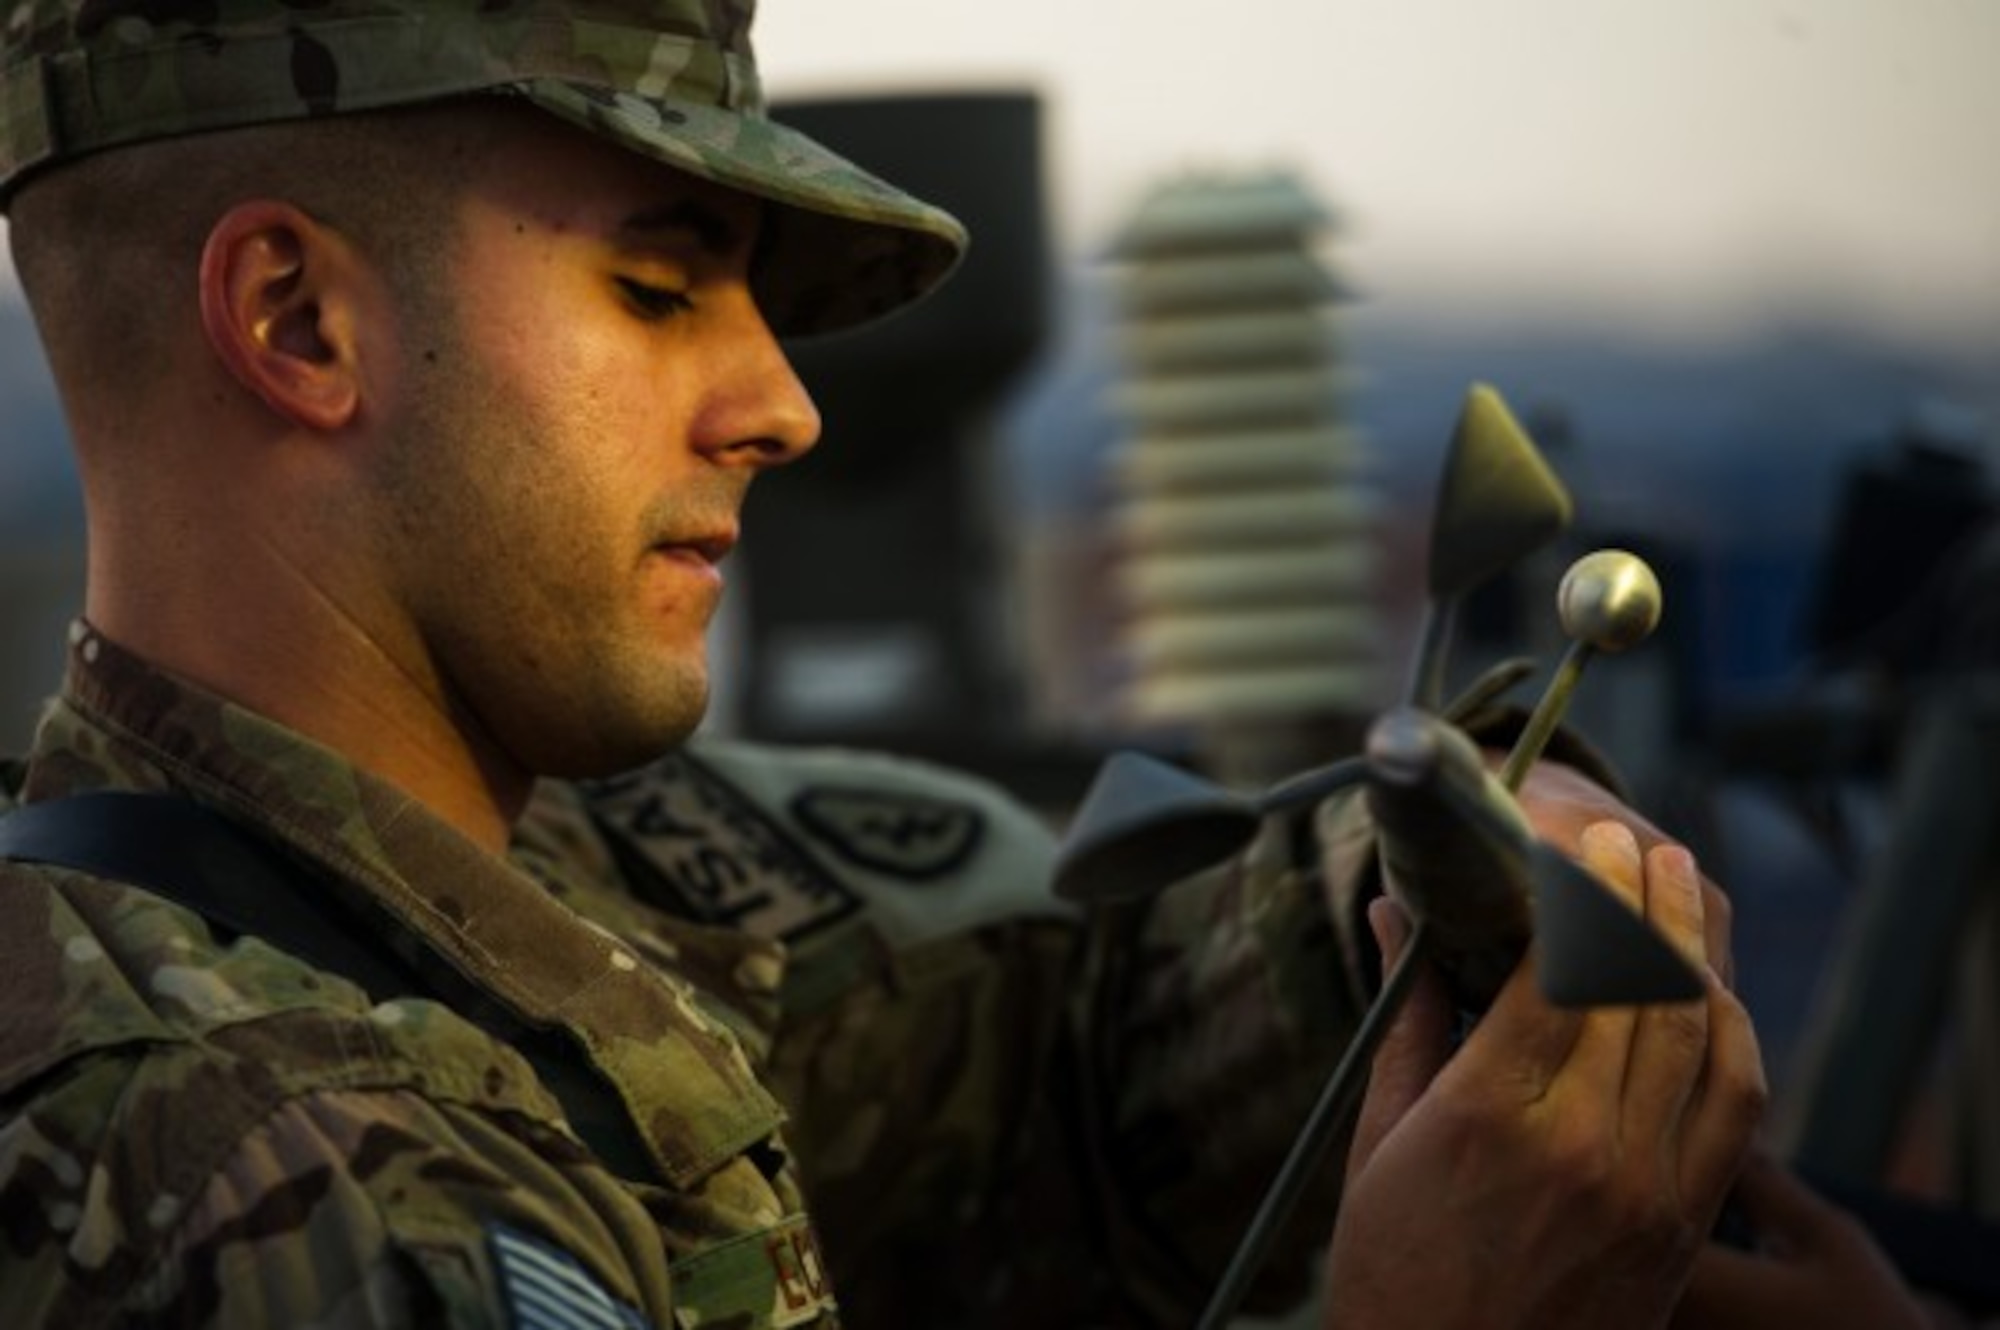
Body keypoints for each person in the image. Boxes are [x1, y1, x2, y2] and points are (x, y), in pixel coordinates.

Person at [0, 0, 1800, 1324]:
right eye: (656, 286)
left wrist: (1432, 883)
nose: (782, 404)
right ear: (297, 322)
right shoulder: (246, 1174)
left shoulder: (553, 861)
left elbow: (1050, 1079)